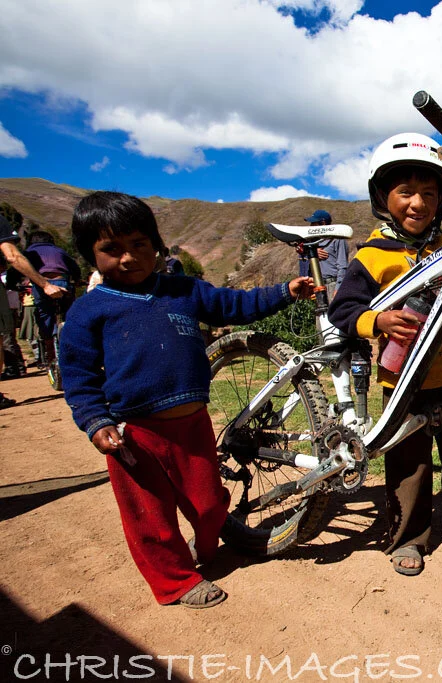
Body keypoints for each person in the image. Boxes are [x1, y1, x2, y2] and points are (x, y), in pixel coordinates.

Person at [60, 191, 314, 608]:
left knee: (211, 503)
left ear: (156, 244)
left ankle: (205, 548)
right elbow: (79, 375)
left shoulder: (183, 290)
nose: (128, 258)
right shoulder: (90, 311)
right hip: (134, 434)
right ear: (91, 255)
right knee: (151, 517)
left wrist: (284, 291)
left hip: (193, 425)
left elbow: (235, 305)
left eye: (138, 244)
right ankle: (174, 581)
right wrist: (96, 422)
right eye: (111, 249)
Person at [329, 133, 442, 576]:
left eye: (430, 194)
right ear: (383, 197)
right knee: (409, 462)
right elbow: (344, 310)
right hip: (402, 381)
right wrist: (380, 321)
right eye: (406, 192)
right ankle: (408, 537)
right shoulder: (373, 255)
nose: (418, 203)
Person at [0, 214, 65, 405]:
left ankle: (48, 348)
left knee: (44, 319)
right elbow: (12, 255)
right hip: (61, 285)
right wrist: (44, 284)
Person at [24, 229, 81, 369]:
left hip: (42, 285)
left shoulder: (29, 252)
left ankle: (50, 350)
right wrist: (78, 280)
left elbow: (17, 269)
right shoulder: (60, 251)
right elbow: (75, 268)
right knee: (70, 314)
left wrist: (14, 284)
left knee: (44, 314)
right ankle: (75, 342)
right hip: (63, 283)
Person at [297, 209, 348, 300]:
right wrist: (312, 253)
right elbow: (302, 257)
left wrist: (338, 288)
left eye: (314, 223)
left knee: (334, 313)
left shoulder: (337, 239)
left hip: (332, 284)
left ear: (323, 223)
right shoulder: (311, 242)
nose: (311, 226)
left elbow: (343, 266)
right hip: (317, 285)